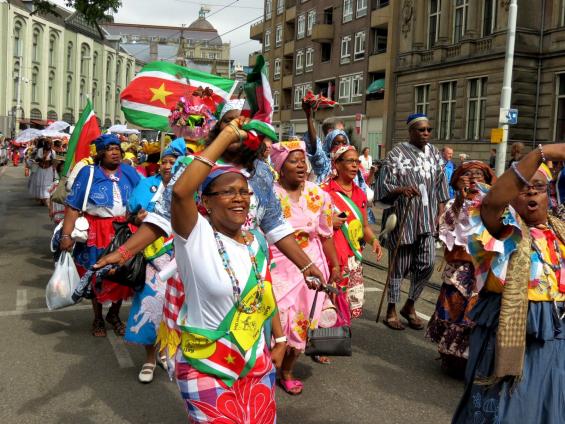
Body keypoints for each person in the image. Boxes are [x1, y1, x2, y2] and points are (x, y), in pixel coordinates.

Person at [95, 100, 325, 362]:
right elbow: (162, 218)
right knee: (204, 354)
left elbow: (275, 225)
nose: (237, 129)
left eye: (244, 123)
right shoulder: (193, 166)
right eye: (230, 122)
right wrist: (123, 253)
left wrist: (306, 265)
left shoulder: (261, 171)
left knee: (248, 350)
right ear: (219, 128)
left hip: (248, 273)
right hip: (203, 275)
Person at [170, 117, 286, 423]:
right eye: (228, 192)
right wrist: (227, 135)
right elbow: (181, 193)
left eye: (244, 192)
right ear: (206, 202)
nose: (239, 198)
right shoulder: (195, 236)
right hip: (206, 365)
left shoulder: (256, 240)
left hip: (255, 362)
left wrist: (280, 338)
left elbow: (265, 293)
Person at [452, 145, 565, 424]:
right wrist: (541, 153)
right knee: (508, 410)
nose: (530, 192)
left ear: (549, 194)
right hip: (510, 331)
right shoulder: (503, 230)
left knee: (547, 407)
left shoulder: (559, 231)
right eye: (522, 188)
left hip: (555, 335)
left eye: (538, 187)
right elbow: (491, 203)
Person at [269, 139, 341, 394]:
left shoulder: (319, 195)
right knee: (275, 321)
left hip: (311, 266)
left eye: (303, 161)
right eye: (293, 161)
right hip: (277, 264)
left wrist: (334, 264)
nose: (301, 165)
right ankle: (267, 369)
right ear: (280, 167)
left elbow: (326, 234)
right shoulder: (268, 194)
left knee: (302, 322)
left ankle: (287, 370)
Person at [60, 134, 141, 337]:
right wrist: (66, 235)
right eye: (110, 149)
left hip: (124, 230)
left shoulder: (129, 172)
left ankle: (114, 314)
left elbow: (144, 194)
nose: (115, 152)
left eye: (117, 149)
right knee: (97, 273)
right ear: (101, 153)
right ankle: (97, 317)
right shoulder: (88, 173)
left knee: (123, 273)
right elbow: (73, 206)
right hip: (98, 231)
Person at [375, 114, 449, 330]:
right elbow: (383, 187)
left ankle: (410, 305)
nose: (426, 133)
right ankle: (391, 309)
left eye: (428, 129)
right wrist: (400, 190)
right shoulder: (396, 154)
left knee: (428, 263)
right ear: (410, 131)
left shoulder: (435, 154)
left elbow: (441, 188)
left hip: (427, 219)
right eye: (421, 130)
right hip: (404, 217)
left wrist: (440, 215)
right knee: (400, 265)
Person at [426, 161, 496, 378]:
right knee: (454, 312)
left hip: (486, 269)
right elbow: (444, 228)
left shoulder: (495, 204)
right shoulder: (453, 204)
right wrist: (460, 201)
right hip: (459, 269)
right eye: (468, 174)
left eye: (479, 175)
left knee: (476, 315)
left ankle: (474, 360)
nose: (474, 178)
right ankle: (451, 358)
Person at [124, 138, 185, 383]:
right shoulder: (147, 184)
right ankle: (150, 358)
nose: (168, 166)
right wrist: (137, 219)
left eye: (173, 162)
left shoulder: (192, 187)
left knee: (178, 308)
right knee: (150, 306)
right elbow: (129, 214)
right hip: (152, 258)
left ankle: (167, 351)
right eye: (164, 162)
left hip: (182, 258)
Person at [322, 145, 383, 321]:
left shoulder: (360, 194)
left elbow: (364, 226)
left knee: (347, 309)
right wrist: (329, 222)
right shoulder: (323, 191)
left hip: (352, 259)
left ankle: (343, 334)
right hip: (331, 259)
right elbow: (311, 225)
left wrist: (374, 241)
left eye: (357, 161)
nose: (355, 165)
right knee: (329, 310)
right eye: (350, 161)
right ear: (336, 164)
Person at [28, 138, 57, 206]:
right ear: (45, 144)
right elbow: (38, 159)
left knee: (47, 183)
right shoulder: (40, 150)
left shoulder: (53, 152)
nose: (49, 145)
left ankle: (45, 198)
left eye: (50, 144)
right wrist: (44, 155)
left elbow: (54, 161)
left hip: (49, 170)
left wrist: (53, 166)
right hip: (40, 169)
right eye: (48, 144)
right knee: (40, 183)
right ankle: (41, 199)